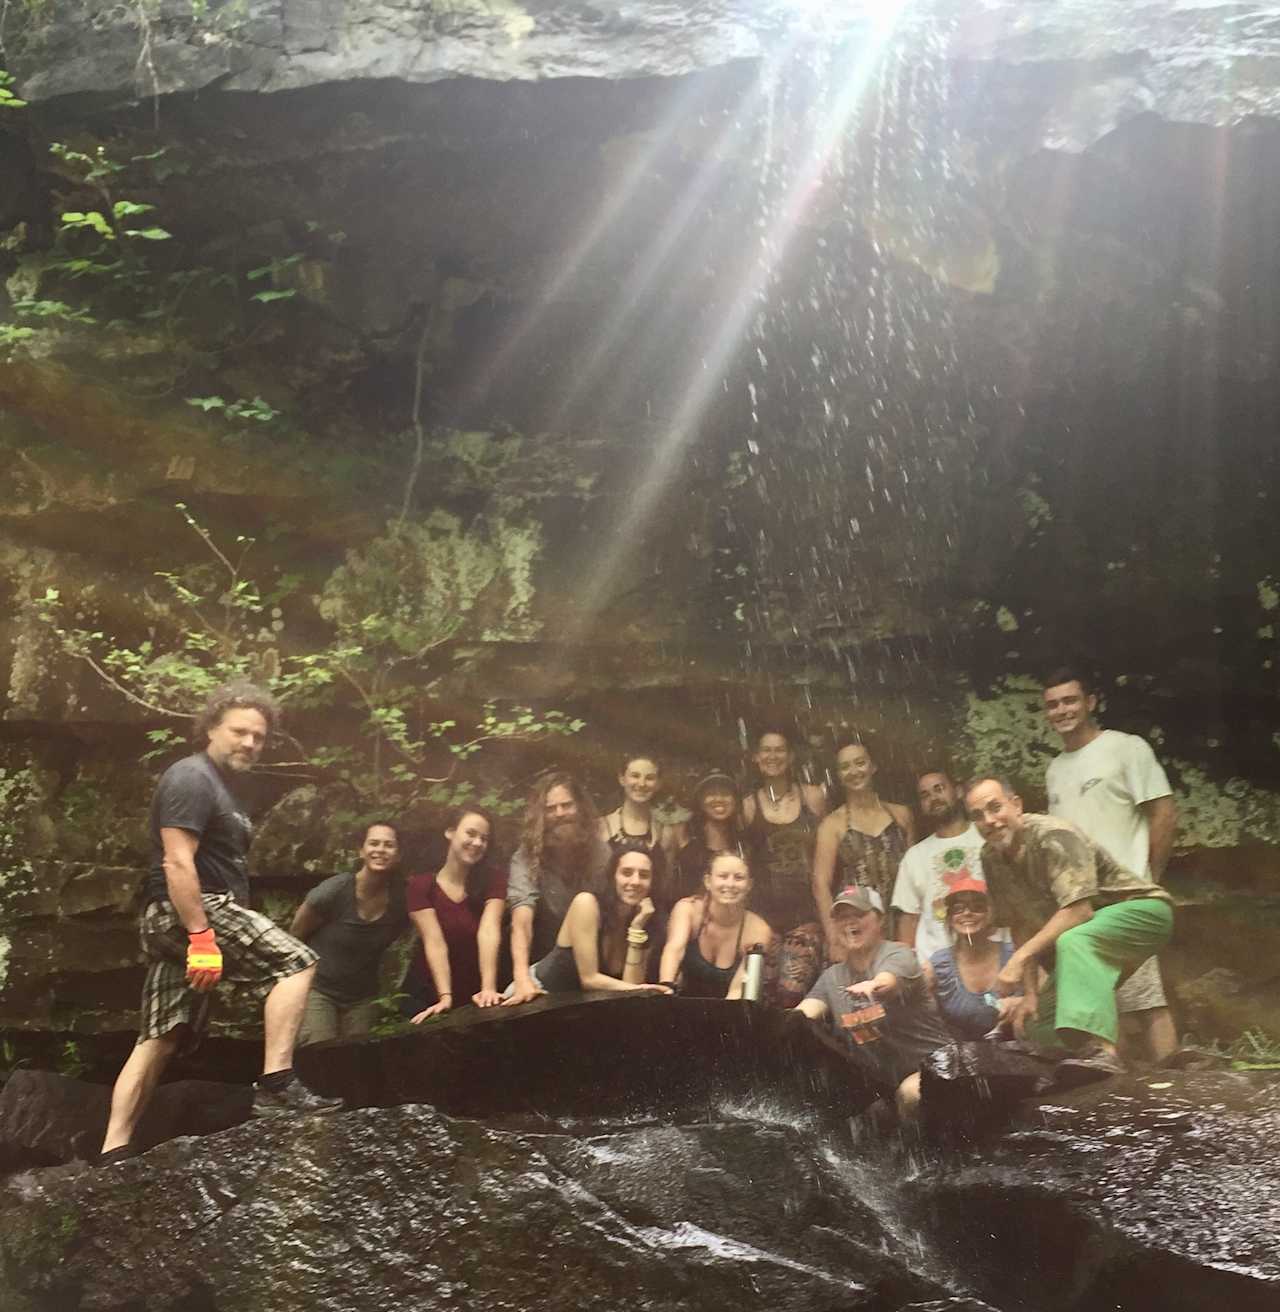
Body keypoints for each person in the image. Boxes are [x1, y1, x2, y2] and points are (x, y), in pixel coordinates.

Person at [99, 683, 341, 1164]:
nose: (250, 743)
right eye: (239, 732)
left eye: (259, 736)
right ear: (210, 728)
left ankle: (113, 1151)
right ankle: (276, 1083)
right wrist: (202, 938)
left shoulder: (222, 787)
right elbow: (177, 865)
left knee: (159, 1036)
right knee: (297, 961)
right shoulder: (191, 779)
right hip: (189, 910)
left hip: (179, 918)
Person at [964, 776, 1174, 1086]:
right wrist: (1031, 994)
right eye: (978, 816)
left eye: (995, 808)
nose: (989, 821)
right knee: (1039, 1020)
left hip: (1142, 912)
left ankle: (1104, 1053)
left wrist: (1019, 958)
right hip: (1086, 939)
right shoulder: (991, 857)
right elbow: (1021, 923)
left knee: (1075, 938)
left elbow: (1079, 911)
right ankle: (1093, 1081)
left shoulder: (1054, 835)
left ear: (1017, 805)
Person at [1043, 666, 1179, 1063]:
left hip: (1126, 895)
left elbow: (1164, 813)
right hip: (1082, 902)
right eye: (1052, 705)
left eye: (1070, 700)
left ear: (1090, 703)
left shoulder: (1126, 748)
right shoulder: (1055, 770)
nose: (1062, 710)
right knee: (1103, 998)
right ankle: (1124, 1095)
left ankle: (1173, 1089)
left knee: (1146, 998)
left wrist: (1150, 879)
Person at [795, 885, 951, 1121]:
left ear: (879, 919)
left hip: (938, 1069)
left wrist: (874, 987)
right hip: (885, 1082)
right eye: (842, 917)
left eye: (858, 915)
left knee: (909, 1094)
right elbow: (799, 1017)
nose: (849, 922)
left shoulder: (899, 954)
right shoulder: (832, 978)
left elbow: (888, 980)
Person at [289, 821, 409, 1045]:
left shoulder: (401, 900)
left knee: (355, 1062)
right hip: (319, 989)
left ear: (398, 854)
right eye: (373, 843)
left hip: (362, 997)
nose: (380, 850)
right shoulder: (334, 890)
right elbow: (295, 936)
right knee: (320, 1054)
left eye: (388, 845)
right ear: (361, 850)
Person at [507, 843, 673, 997]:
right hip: (535, 993)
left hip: (576, 1009)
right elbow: (589, 979)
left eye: (644, 875)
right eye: (626, 873)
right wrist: (640, 989)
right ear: (612, 876)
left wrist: (637, 928)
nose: (635, 881)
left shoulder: (647, 920)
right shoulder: (586, 903)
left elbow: (629, 991)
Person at [505, 772, 611, 1006]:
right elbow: (521, 921)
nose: (560, 814)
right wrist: (522, 979)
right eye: (550, 809)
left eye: (567, 805)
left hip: (594, 971)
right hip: (545, 972)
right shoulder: (525, 857)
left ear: (580, 808)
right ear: (540, 815)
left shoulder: (601, 853)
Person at [740, 723, 827, 1006]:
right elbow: (744, 861)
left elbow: (827, 854)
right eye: (766, 750)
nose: (772, 756)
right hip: (762, 914)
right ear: (756, 757)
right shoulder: (748, 806)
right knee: (755, 992)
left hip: (805, 913)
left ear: (791, 757)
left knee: (791, 992)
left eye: (779, 750)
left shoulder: (813, 797)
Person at [401, 806, 507, 1020]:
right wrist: (445, 996)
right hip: (429, 993)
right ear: (450, 832)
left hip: (478, 991)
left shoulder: (493, 880)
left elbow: (489, 931)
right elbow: (434, 941)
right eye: (471, 833)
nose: (477, 843)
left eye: (484, 838)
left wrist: (488, 988)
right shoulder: (420, 886)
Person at [812, 736, 914, 950]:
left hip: (901, 925)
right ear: (838, 775)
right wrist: (834, 937)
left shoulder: (901, 816)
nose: (854, 771)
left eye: (860, 763)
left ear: (873, 766)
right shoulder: (832, 825)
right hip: (855, 930)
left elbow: (915, 876)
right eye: (845, 767)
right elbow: (820, 885)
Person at [890, 768, 985, 962]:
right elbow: (909, 920)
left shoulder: (986, 836)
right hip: (937, 965)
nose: (933, 798)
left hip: (991, 956)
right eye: (925, 795)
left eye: (939, 788)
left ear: (958, 792)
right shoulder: (914, 856)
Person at [658, 850, 774, 997]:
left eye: (738, 878)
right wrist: (666, 991)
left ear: (749, 885)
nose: (730, 884)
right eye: (723, 876)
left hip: (728, 1010)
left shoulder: (759, 930)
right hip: (682, 1002)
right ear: (708, 881)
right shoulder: (688, 909)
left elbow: (737, 991)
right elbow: (674, 950)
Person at [923, 878, 1015, 1040]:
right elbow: (927, 1024)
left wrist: (1022, 1001)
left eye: (977, 907)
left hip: (1017, 1051)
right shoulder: (936, 967)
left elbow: (1047, 1000)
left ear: (991, 914)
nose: (967, 913)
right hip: (962, 1056)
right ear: (950, 919)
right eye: (958, 909)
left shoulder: (1016, 956)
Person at [673, 769, 749, 898]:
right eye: (711, 793)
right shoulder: (683, 835)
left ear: (735, 801)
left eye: (725, 793)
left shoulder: (745, 843)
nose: (719, 799)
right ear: (700, 801)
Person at [598, 753, 681, 863]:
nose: (642, 784)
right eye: (635, 776)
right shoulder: (601, 827)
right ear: (622, 779)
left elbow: (667, 879)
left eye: (650, 778)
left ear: (658, 783)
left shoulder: (665, 833)